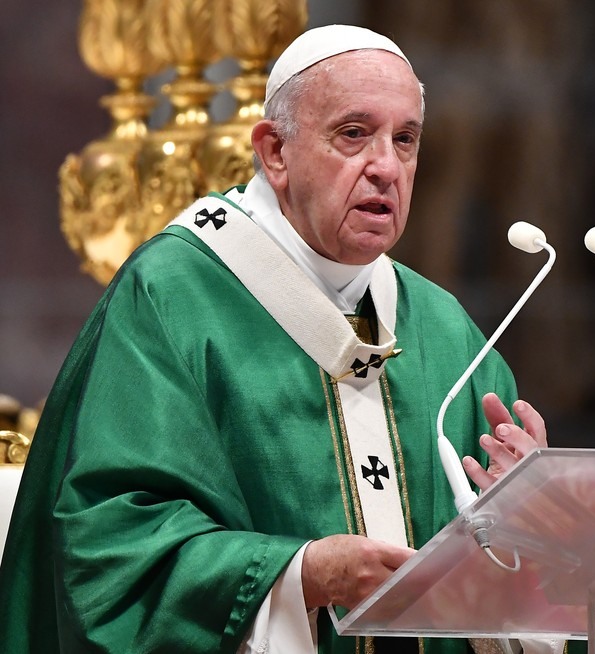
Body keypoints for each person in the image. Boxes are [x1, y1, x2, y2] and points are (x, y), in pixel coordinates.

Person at [0, 25, 552, 654]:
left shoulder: (445, 329)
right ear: (275, 152)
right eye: (353, 134)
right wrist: (301, 576)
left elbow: (518, 590)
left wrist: (525, 515)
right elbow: (111, 548)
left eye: (405, 140)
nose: (385, 167)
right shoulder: (174, 296)